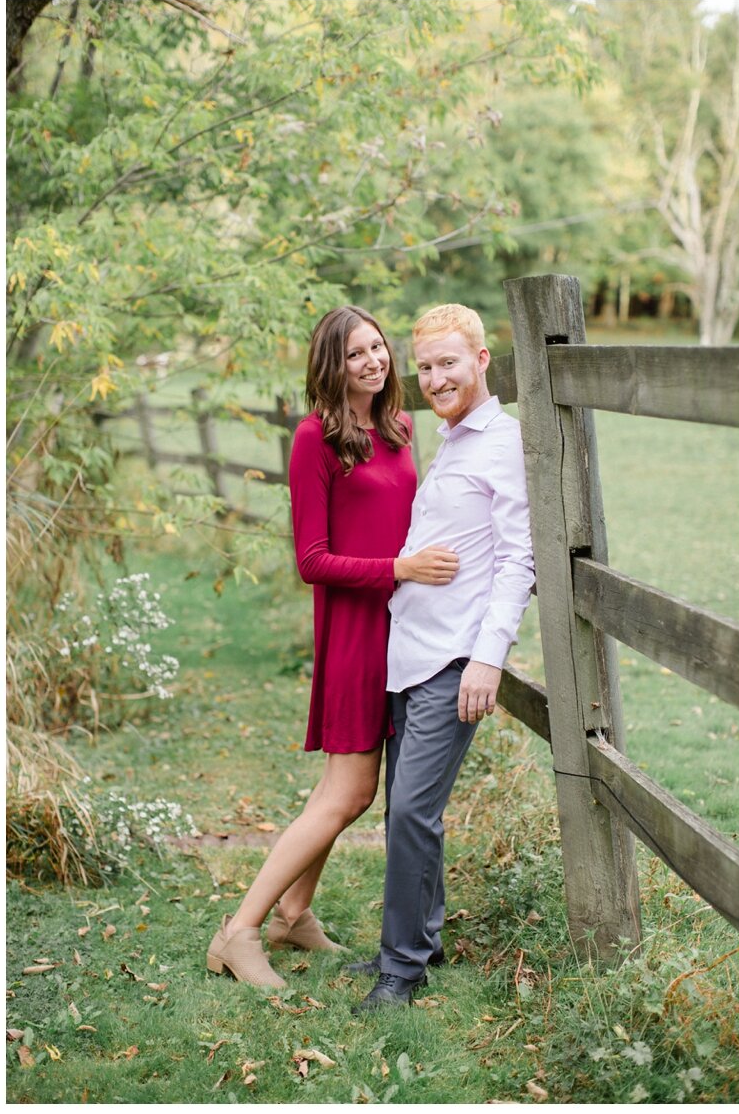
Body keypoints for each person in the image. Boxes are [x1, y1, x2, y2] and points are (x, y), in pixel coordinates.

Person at [206, 305, 460, 988]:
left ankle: (294, 914)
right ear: (331, 364)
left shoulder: (402, 428)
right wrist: (399, 569)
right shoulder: (315, 438)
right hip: (355, 634)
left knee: (345, 788)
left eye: (377, 347)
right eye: (355, 354)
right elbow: (312, 560)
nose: (373, 361)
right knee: (348, 793)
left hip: (405, 633)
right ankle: (240, 929)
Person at [347, 303, 535, 1011]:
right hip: (409, 647)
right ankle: (418, 937)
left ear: (483, 360)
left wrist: (489, 657)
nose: (435, 377)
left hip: (455, 657)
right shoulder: (448, 439)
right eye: (424, 366)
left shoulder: (503, 444)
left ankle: (401, 969)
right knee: (406, 808)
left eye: (449, 362)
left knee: (409, 814)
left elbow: (519, 559)